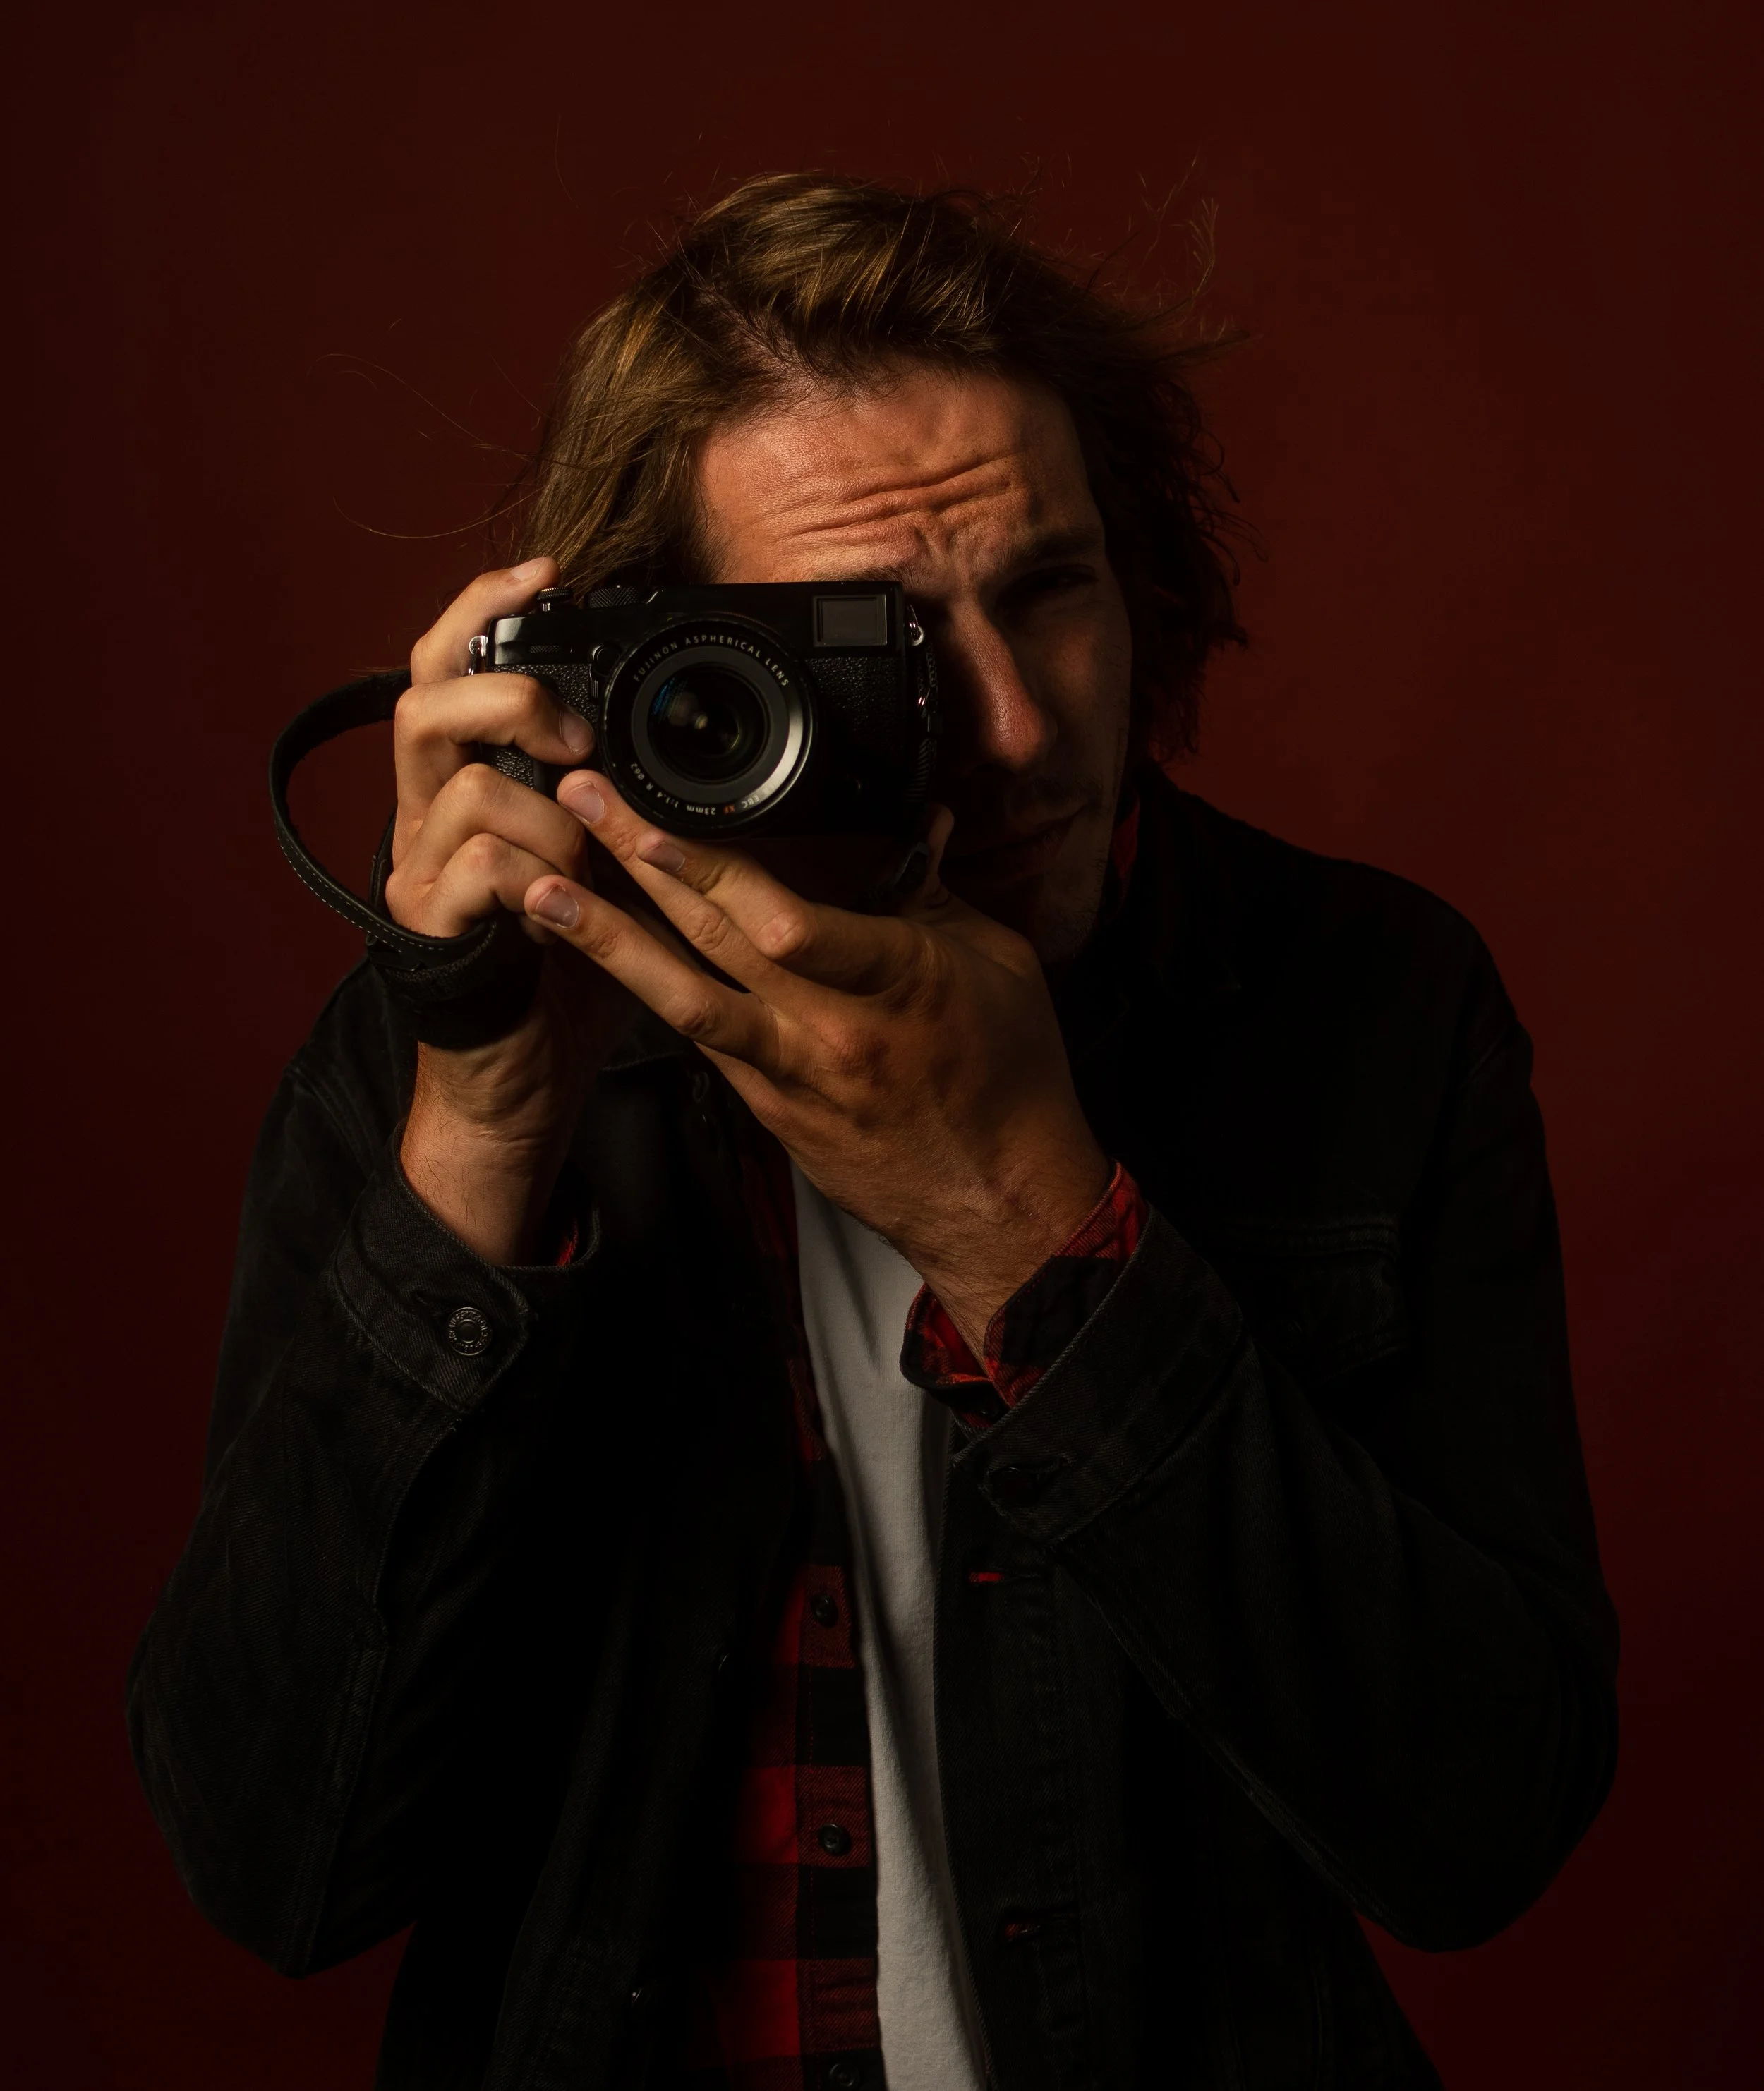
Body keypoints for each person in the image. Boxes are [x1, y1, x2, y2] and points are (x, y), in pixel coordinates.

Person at [128, 174, 1619, 2091]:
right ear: (654, 672)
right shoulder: (465, 1057)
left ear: (1142, 571)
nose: (1006, 729)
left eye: (1048, 591)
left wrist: (1026, 1232)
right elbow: (277, 1864)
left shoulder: (1364, 1001)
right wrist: (488, 1120)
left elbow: (1475, 1823)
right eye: (877, 642)